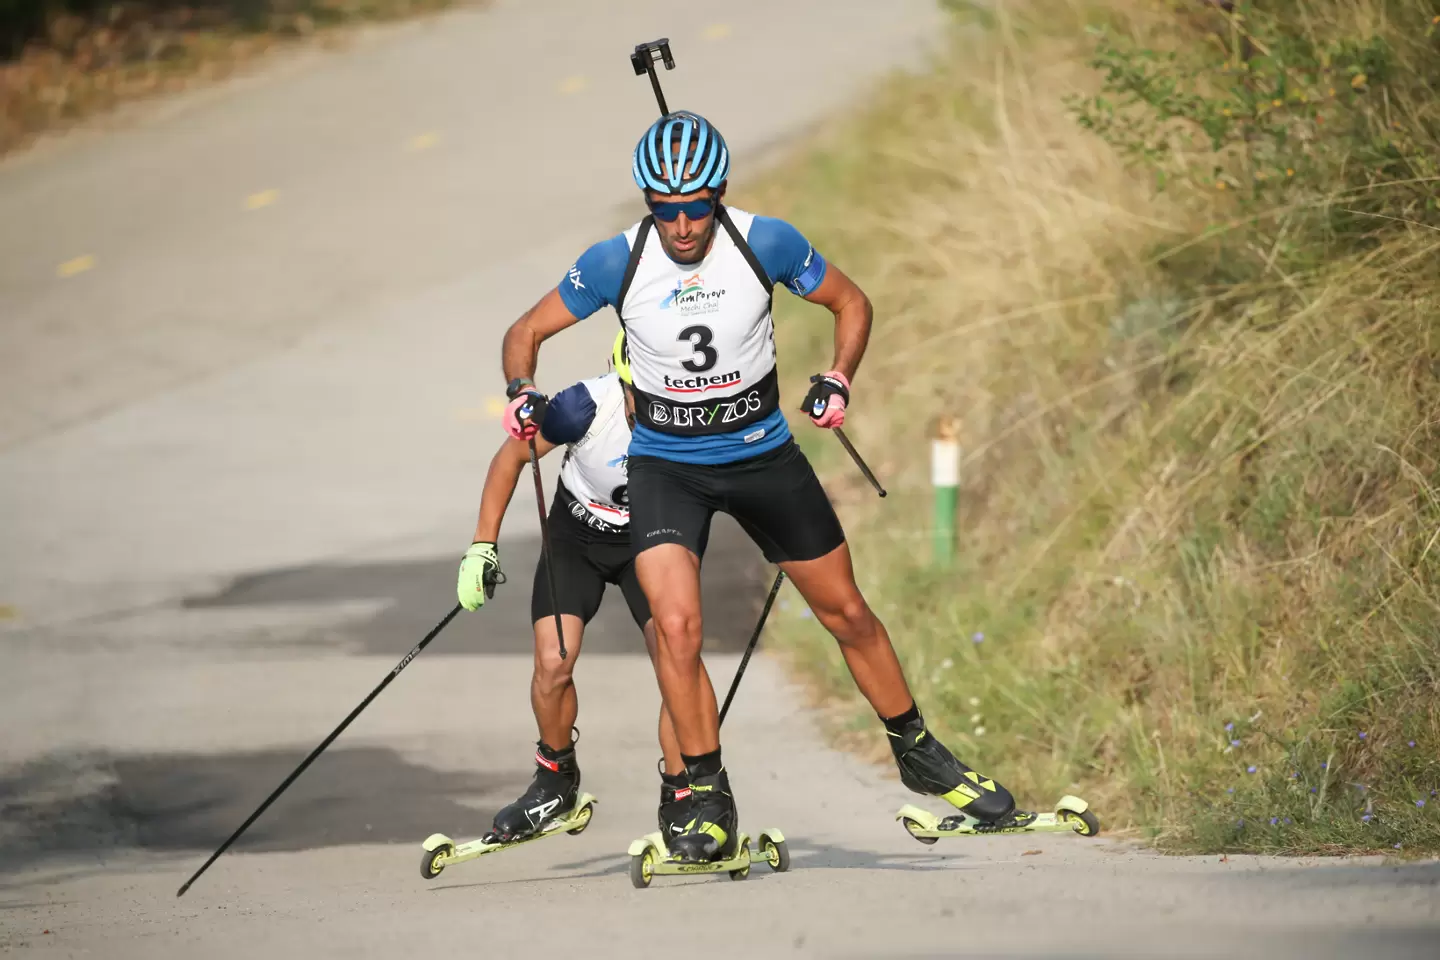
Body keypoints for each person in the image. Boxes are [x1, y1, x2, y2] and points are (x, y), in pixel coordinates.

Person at [497, 110, 1030, 863]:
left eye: (696, 206)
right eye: (664, 207)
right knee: (676, 630)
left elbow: (852, 301)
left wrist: (839, 377)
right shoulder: (616, 261)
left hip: (762, 457)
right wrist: (521, 389)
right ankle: (702, 792)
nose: (682, 224)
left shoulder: (765, 240)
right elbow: (525, 331)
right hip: (668, 467)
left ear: (719, 192)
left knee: (845, 612)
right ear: (647, 201)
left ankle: (916, 748)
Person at [456, 349, 720, 844]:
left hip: (655, 543)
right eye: (638, 390)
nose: (649, 401)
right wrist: (482, 546)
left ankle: (684, 793)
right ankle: (555, 780)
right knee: (554, 661)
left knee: (676, 661)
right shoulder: (583, 407)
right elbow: (511, 458)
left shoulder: (695, 415)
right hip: (577, 539)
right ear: (621, 383)